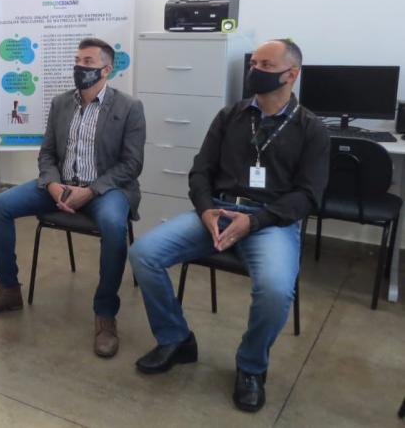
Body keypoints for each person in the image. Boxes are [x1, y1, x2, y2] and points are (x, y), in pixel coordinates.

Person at [128, 39, 329, 412]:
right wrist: (206, 209)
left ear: (291, 74)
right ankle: (176, 339)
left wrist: (254, 221)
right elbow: (200, 171)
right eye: (254, 63)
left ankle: (251, 366)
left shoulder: (311, 128)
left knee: (275, 289)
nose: (255, 71)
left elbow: (308, 196)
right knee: (144, 253)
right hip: (217, 212)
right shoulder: (230, 116)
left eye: (266, 65)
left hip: (270, 221)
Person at [0, 37, 146, 359]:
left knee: (113, 225)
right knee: (1, 205)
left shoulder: (128, 108)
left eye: (88, 62)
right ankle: (8, 289)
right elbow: (47, 153)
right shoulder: (61, 103)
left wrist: (90, 191)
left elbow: (131, 164)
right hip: (59, 186)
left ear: (107, 70)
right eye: (77, 61)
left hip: (104, 190)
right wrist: (52, 185)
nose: (80, 67)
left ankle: (105, 313)